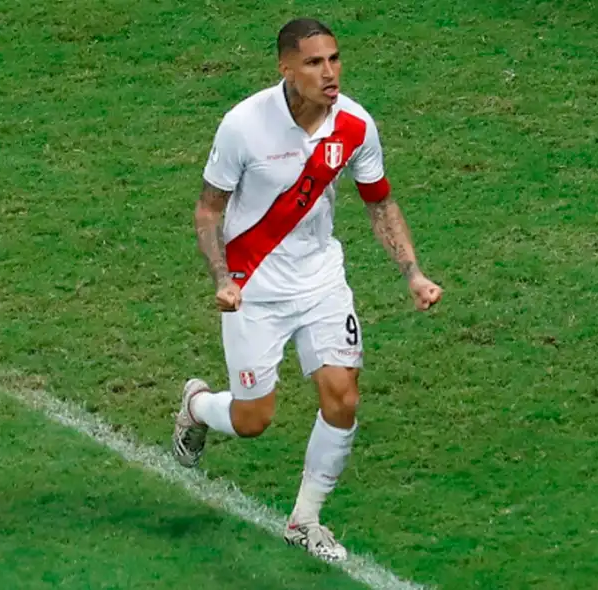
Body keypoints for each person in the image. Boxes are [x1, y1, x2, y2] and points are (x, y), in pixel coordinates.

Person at [172, 17, 443, 563]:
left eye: (335, 59)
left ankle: (306, 520)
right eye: (315, 63)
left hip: (321, 282)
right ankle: (198, 407)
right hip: (255, 290)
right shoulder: (245, 125)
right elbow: (208, 209)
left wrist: (412, 272)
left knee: (343, 395)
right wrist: (223, 279)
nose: (330, 73)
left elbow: (380, 203)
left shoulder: (355, 125)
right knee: (254, 419)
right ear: (286, 68)